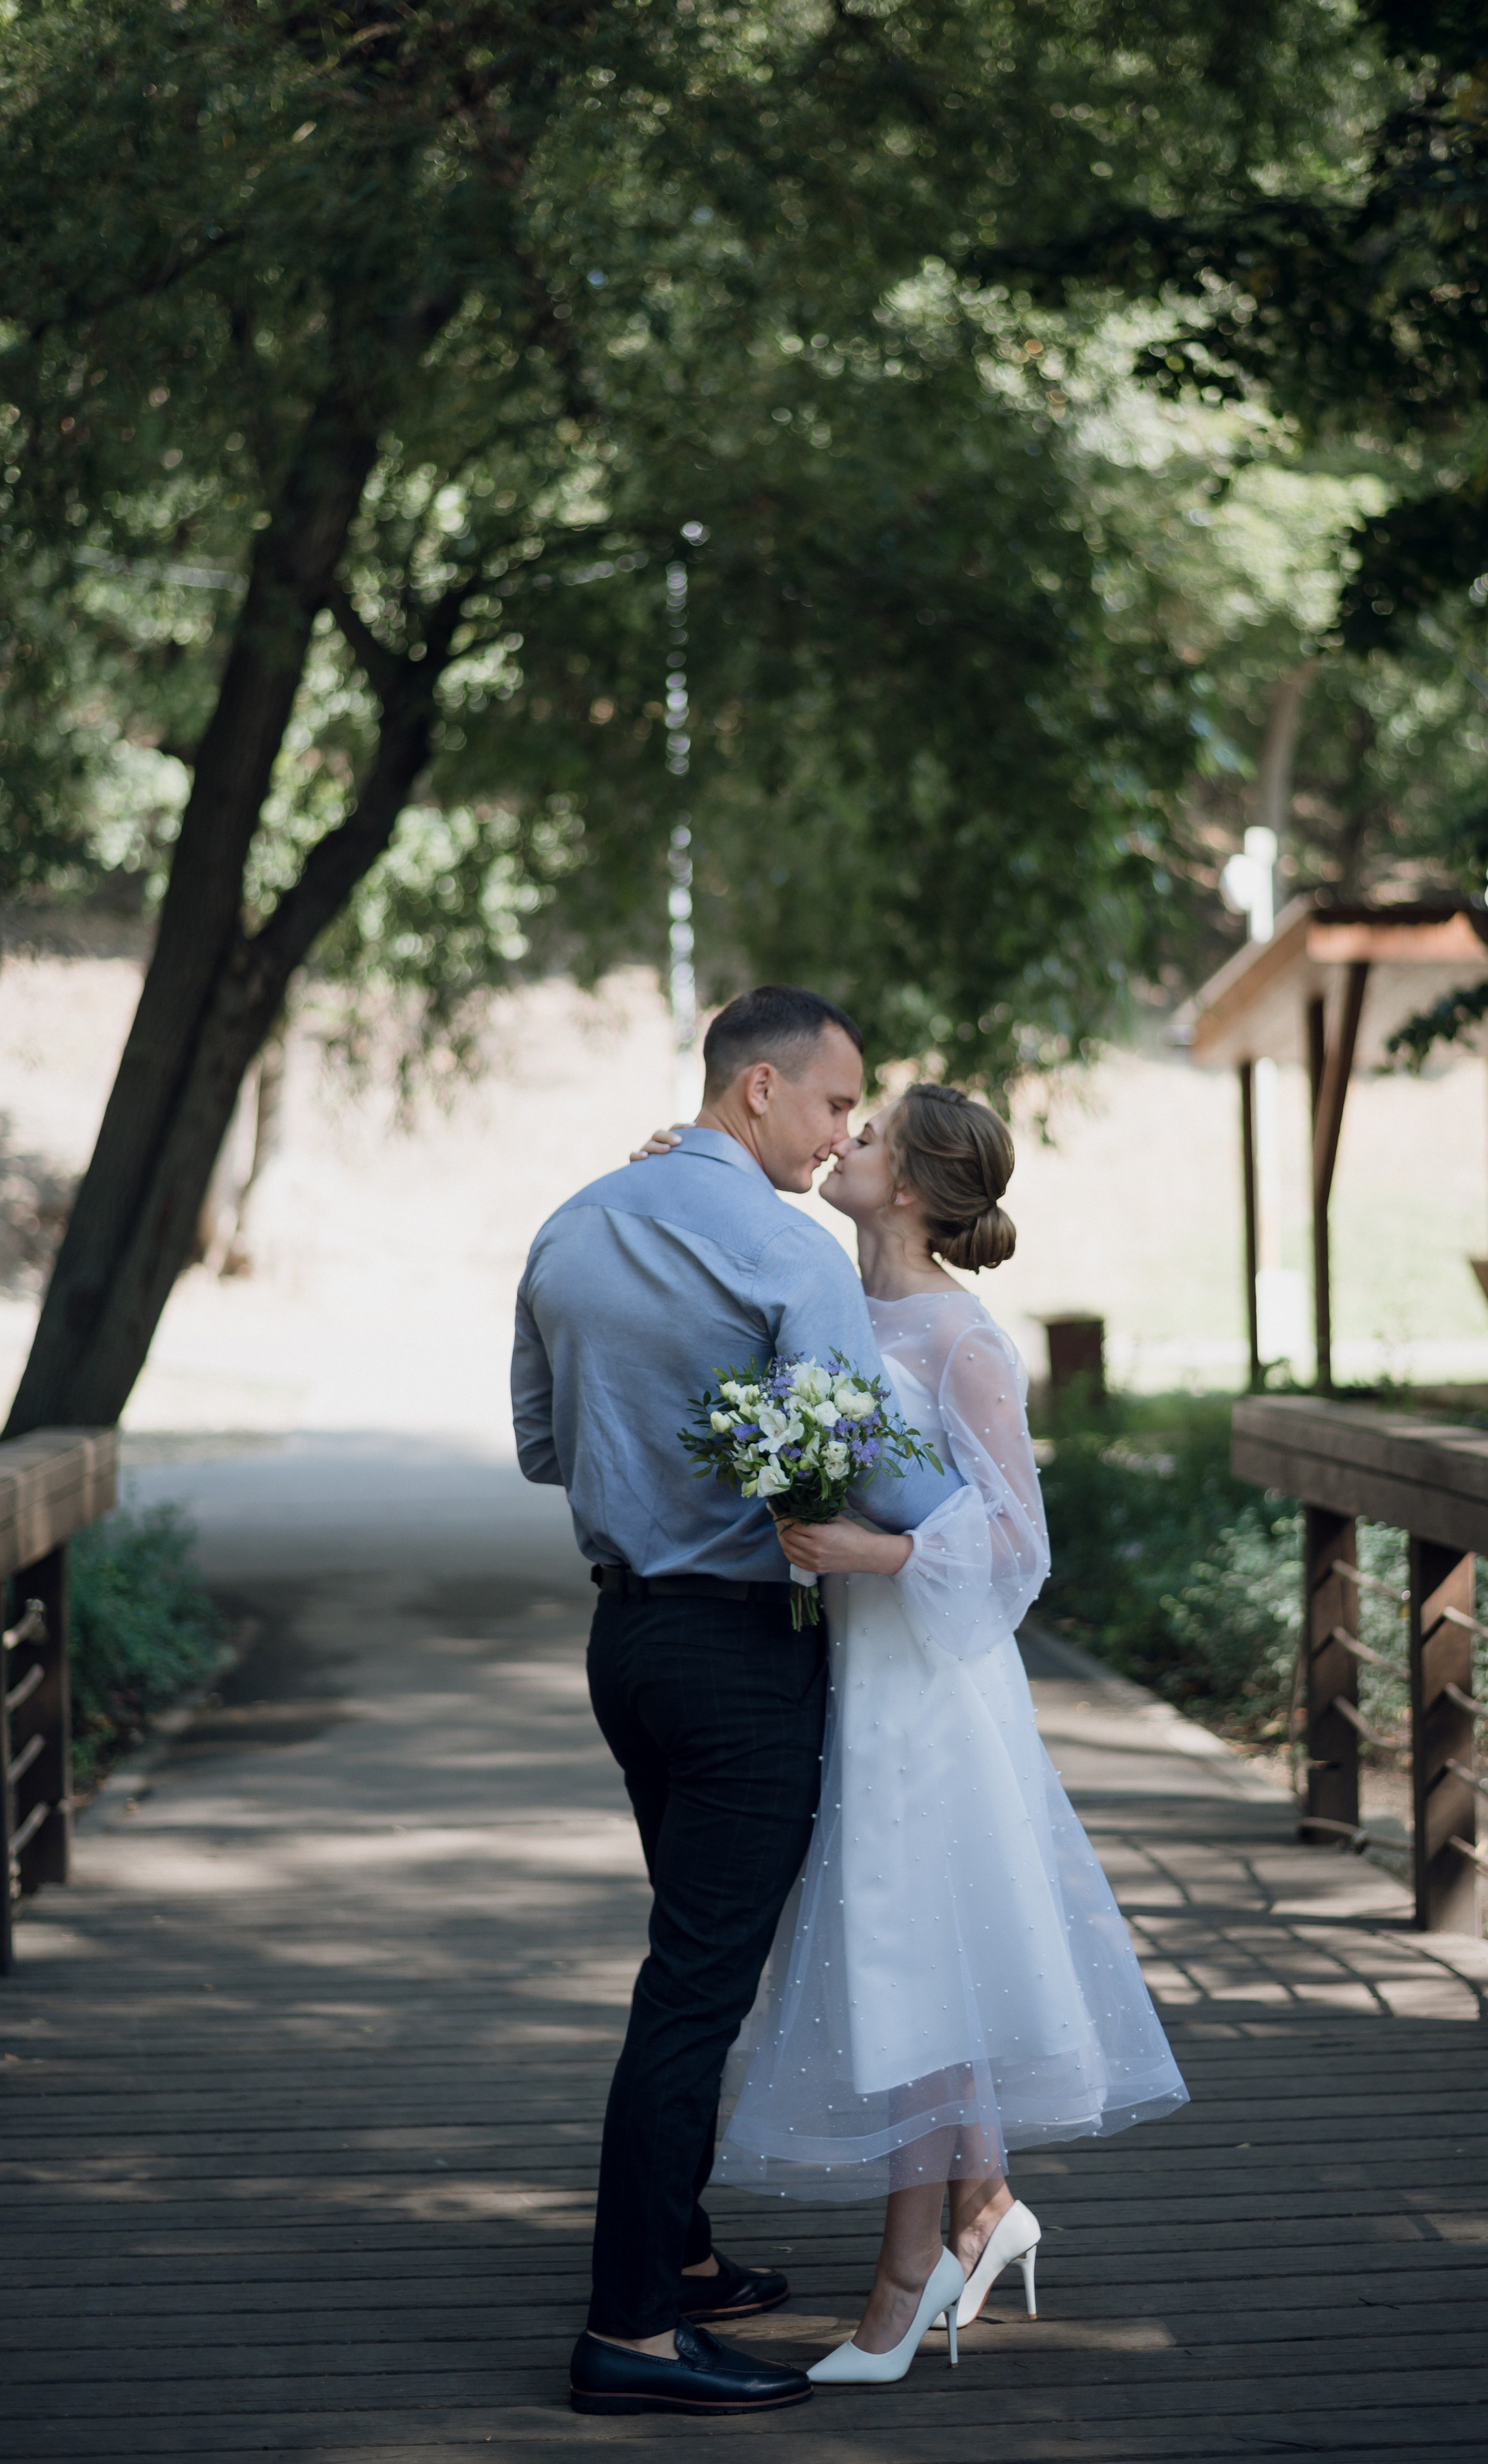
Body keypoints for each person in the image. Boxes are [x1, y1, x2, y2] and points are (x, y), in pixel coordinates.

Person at [633, 1081, 1188, 2387]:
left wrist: (864, 1548)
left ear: (922, 1188)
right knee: (912, 1941)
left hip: (933, 1685)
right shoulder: (834, 1295)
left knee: (908, 1948)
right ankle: (983, 2207)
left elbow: (1015, 1546)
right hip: (852, 1670)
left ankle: (906, 2276)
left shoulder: (959, 1338)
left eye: (868, 1135)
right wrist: (675, 1163)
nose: (843, 1141)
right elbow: (726, 1244)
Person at [512, 985, 955, 2419]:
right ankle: (630, 2331)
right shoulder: (784, 1248)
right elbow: (868, 1471)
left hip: (624, 1649)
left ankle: (681, 2256)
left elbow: (537, 1442)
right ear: (756, 1089)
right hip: (742, 1661)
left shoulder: (571, 1222)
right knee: (692, 1992)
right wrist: (981, 1516)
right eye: (834, 1103)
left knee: (684, 1954)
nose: (843, 1135)